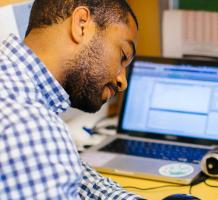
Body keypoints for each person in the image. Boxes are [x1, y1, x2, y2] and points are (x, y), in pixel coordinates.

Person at [0, 0, 142, 199]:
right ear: (81, 24)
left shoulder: (16, 89)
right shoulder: (29, 124)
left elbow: (85, 184)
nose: (122, 82)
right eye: (122, 55)